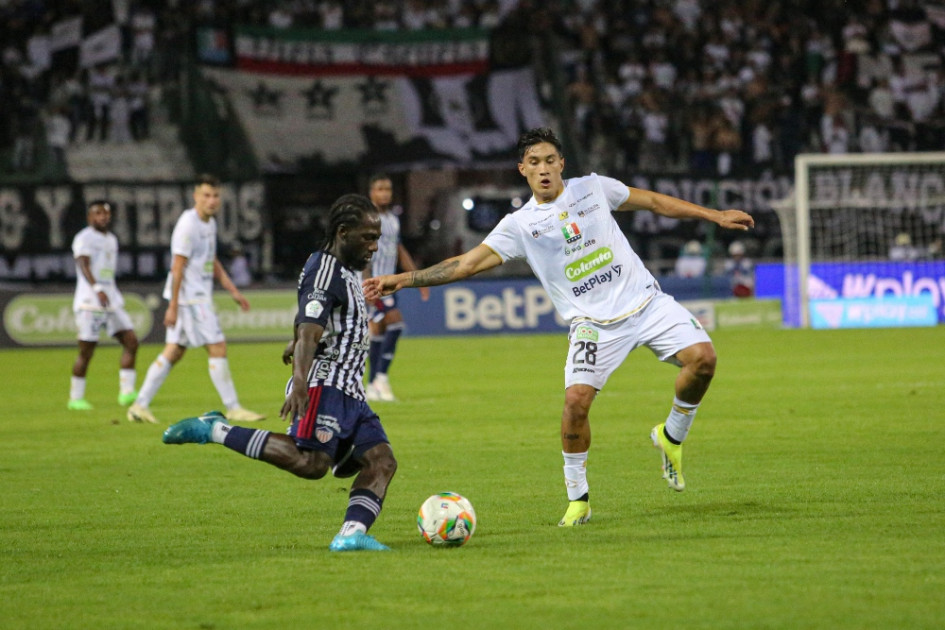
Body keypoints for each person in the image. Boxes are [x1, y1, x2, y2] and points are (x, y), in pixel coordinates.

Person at [364, 127, 754, 526]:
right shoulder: (519, 225)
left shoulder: (593, 188)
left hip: (646, 302)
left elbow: (654, 202)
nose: (544, 169)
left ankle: (671, 436)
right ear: (523, 170)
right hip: (592, 325)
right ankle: (578, 500)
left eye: (550, 160)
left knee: (704, 359)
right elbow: (464, 264)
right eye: (534, 162)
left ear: (562, 163)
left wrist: (715, 215)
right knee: (575, 403)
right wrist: (401, 280)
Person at [163, 194, 396, 552]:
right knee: (311, 462)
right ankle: (215, 429)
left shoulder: (344, 269)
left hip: (351, 388)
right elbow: (308, 328)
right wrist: (300, 381)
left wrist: (298, 340)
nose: (374, 246)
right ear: (342, 232)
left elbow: (314, 319)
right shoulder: (325, 270)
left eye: (377, 237)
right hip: (325, 384)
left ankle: (350, 534)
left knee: (382, 461)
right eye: (367, 237)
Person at [127, 174, 264, 424]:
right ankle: (233, 408)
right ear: (196, 197)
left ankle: (139, 405)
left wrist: (232, 290)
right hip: (191, 299)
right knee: (217, 346)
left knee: (174, 351)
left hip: (193, 296)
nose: (212, 201)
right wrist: (172, 306)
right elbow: (177, 267)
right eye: (206, 195)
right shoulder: (188, 225)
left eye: (215, 196)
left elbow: (211, 261)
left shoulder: (209, 224)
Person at [362, 173, 429, 402]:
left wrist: (417, 278)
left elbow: (399, 250)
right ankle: (380, 377)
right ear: (371, 192)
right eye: (380, 189)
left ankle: (372, 385)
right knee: (396, 323)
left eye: (388, 189)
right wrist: (367, 283)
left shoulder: (392, 219)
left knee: (378, 332)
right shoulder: (366, 218)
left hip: (389, 283)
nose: (384, 193)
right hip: (375, 283)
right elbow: (362, 253)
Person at [68, 200, 139, 411]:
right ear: (90, 217)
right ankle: (75, 398)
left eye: (106, 213)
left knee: (131, 341)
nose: (103, 217)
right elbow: (83, 263)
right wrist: (97, 287)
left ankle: (126, 393)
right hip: (90, 302)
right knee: (86, 352)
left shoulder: (111, 239)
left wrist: (106, 290)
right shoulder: (84, 237)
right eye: (98, 213)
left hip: (111, 300)